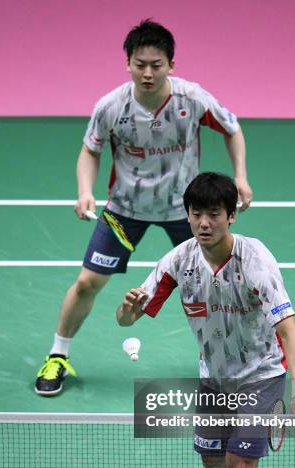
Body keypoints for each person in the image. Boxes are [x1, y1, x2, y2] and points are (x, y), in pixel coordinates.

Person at [116, 172, 295, 468]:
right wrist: (127, 310)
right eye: (196, 214)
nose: (204, 222)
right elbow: (127, 319)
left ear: (231, 215)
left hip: (261, 374)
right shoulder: (178, 262)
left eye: (214, 214)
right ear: (187, 215)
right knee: (212, 461)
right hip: (214, 377)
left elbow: (290, 329)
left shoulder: (256, 261)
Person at [35, 19, 252, 396]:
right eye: (140, 64)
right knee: (87, 283)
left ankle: (228, 363)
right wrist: (84, 190)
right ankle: (57, 355)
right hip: (125, 210)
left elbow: (232, 129)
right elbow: (91, 149)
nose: (148, 73)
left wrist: (241, 176)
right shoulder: (111, 106)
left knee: (217, 285)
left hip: (187, 212)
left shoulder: (193, 99)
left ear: (171, 64)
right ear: (128, 64)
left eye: (156, 64)